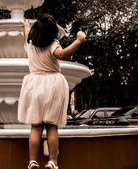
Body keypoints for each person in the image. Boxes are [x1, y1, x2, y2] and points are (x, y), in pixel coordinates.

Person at [18, 14, 86, 169]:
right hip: (53, 84)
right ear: (53, 32)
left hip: (34, 84)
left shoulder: (30, 43)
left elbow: (27, 32)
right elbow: (63, 55)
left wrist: (25, 25)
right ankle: (52, 162)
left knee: (35, 127)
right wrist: (79, 41)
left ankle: (32, 161)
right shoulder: (53, 44)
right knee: (51, 126)